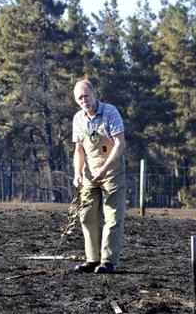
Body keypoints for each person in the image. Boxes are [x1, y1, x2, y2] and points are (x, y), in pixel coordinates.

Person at [71, 79, 126, 274]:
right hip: (89, 174)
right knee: (86, 215)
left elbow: (119, 144)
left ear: (94, 94)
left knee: (112, 216)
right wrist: (77, 173)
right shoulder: (78, 119)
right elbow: (79, 150)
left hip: (111, 171)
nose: (84, 100)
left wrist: (105, 168)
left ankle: (108, 260)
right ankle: (92, 259)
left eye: (86, 95)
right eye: (79, 98)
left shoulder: (110, 112)